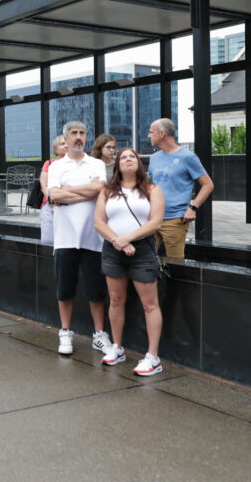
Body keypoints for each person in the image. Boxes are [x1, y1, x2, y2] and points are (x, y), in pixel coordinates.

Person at [94, 148, 166, 376]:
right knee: (115, 300)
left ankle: (153, 357)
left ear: (139, 163)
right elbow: (98, 221)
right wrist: (119, 242)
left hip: (142, 250)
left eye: (132, 156)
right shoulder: (107, 191)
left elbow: (156, 222)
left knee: (149, 304)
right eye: (123, 157)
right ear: (117, 165)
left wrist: (129, 238)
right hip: (113, 250)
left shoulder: (151, 189)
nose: (127, 159)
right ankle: (117, 347)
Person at [47, 121, 111, 356]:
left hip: (93, 238)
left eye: (82, 133)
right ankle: (65, 332)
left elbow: (99, 189)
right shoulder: (56, 166)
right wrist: (86, 190)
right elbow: (53, 194)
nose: (78, 137)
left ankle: (99, 334)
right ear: (65, 138)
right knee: (65, 288)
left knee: (96, 289)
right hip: (64, 238)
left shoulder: (95, 163)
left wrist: (67, 194)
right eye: (73, 133)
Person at [147, 118, 214, 259]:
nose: (148, 135)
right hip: (152, 218)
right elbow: (150, 185)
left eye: (151, 132)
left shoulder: (188, 157)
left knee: (175, 263)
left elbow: (208, 185)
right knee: (146, 259)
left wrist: (193, 207)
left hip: (174, 219)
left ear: (162, 134)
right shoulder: (154, 158)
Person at [38, 135, 68, 246]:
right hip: (49, 205)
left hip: (68, 205)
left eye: (67, 143)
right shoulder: (49, 163)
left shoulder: (74, 164)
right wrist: (52, 201)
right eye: (62, 144)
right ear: (55, 148)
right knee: (48, 241)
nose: (66, 146)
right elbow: (43, 185)